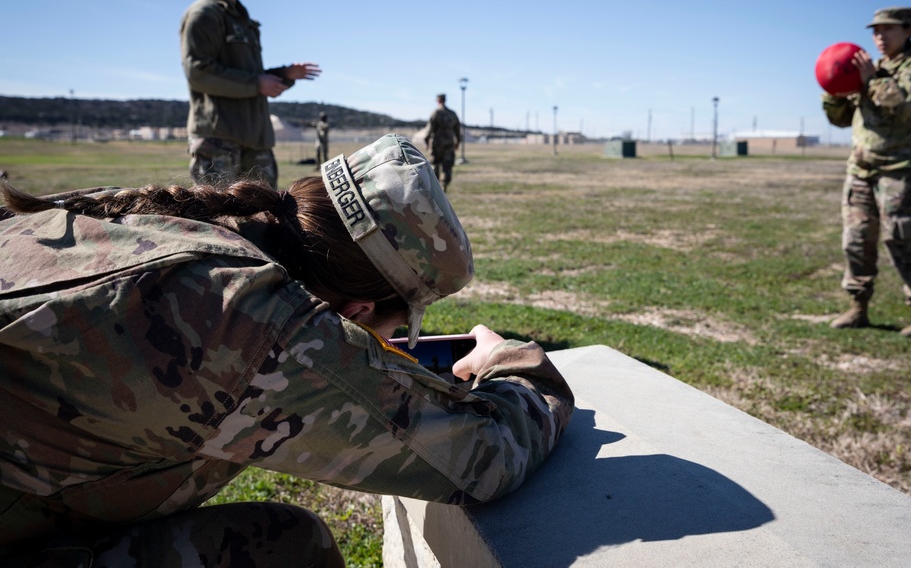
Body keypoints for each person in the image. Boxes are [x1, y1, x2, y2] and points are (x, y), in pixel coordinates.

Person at [0, 135, 574, 565]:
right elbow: (486, 455)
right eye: (398, 326)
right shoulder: (246, 320)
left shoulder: (159, 221)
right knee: (288, 550)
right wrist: (510, 367)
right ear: (358, 311)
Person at [821, 7, 911, 339]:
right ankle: (858, 307)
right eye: (875, 31)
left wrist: (871, 79)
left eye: (887, 30)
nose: (880, 37)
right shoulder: (871, 69)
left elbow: (904, 104)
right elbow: (843, 119)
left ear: (907, 31)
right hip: (861, 170)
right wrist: (834, 94)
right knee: (856, 242)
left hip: (900, 172)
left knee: (902, 240)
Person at [180, 0, 321, 189]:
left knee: (266, 221)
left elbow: (251, 75)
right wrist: (256, 83)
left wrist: (284, 74)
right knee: (217, 221)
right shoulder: (205, 14)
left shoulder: (242, 19)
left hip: (255, 140)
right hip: (219, 139)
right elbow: (198, 73)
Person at [424, 93, 463, 191]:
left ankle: (435, 189)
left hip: (437, 144)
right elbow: (457, 129)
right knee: (447, 166)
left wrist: (426, 141)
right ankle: (444, 185)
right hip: (449, 143)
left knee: (434, 165)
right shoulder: (452, 114)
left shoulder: (436, 113)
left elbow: (429, 129)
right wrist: (457, 142)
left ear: (438, 100)